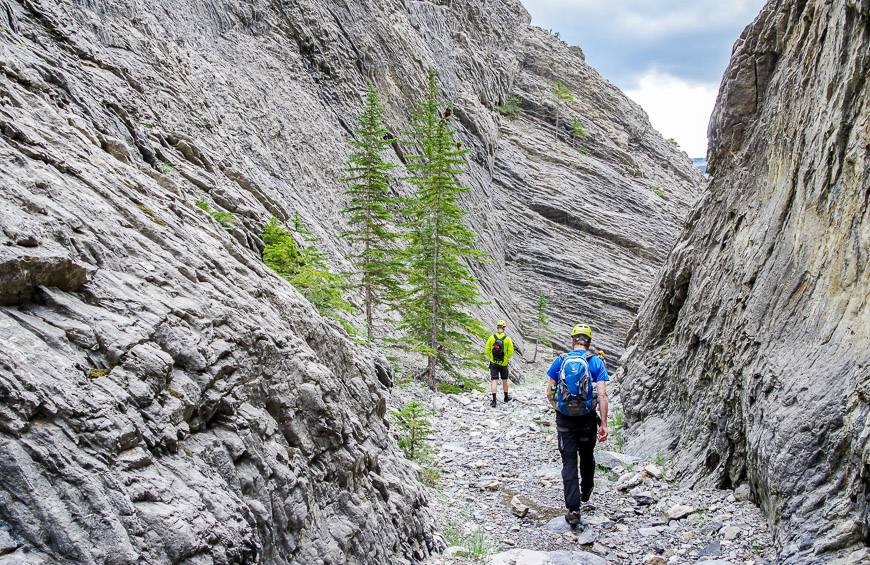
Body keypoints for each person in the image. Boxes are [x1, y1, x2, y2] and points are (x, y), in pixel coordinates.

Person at [546, 324, 609, 527]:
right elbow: (602, 395)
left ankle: (573, 509)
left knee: (569, 462)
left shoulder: (561, 360)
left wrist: (561, 409)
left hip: (565, 421)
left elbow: (549, 393)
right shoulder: (596, 361)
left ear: (572, 340)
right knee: (587, 455)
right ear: (589, 342)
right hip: (588, 419)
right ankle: (587, 488)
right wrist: (604, 424)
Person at [484, 320, 514, 407]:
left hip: (493, 363)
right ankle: (506, 397)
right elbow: (511, 352)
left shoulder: (491, 338)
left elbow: (487, 349)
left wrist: (492, 356)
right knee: (504, 380)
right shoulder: (508, 339)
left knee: (494, 380)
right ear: (504, 328)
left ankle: (494, 401)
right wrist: (505, 358)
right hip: (504, 363)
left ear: (497, 327)